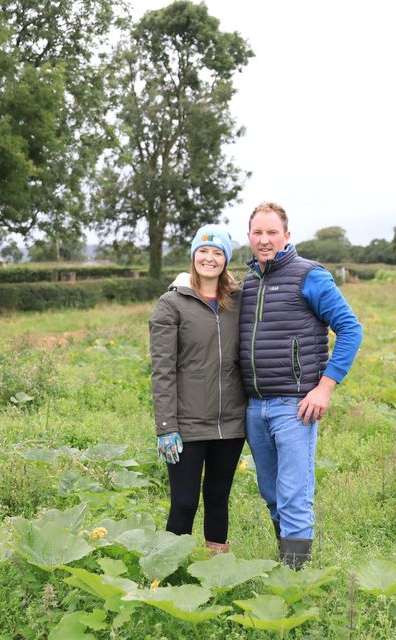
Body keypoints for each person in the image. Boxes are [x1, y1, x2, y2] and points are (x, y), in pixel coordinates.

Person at [240, 201, 363, 568]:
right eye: (258, 233)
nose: (265, 240)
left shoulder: (309, 276)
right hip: (254, 406)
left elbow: (350, 329)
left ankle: (296, 579)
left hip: (295, 407)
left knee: (294, 494)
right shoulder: (248, 284)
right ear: (249, 237)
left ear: (287, 235)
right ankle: (287, 562)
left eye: (272, 232)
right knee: (272, 494)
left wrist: (325, 387)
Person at [149, 224, 247, 555]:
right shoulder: (171, 304)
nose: (209, 258)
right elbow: (162, 371)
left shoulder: (238, 303)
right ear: (193, 256)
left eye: (217, 252)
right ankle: (166, 571)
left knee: (218, 498)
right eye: (203, 251)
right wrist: (166, 427)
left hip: (231, 422)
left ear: (226, 260)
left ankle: (215, 567)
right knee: (185, 502)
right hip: (187, 425)